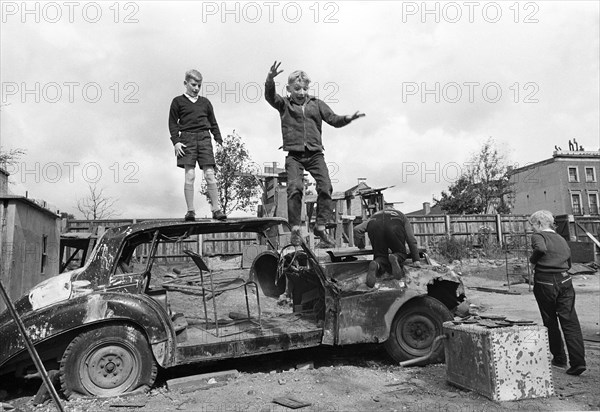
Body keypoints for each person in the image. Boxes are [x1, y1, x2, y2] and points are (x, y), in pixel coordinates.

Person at [265, 61, 364, 247]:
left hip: (315, 153)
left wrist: (348, 118)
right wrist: (269, 79)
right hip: (294, 155)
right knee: (295, 188)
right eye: (296, 89)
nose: (301, 92)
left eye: (304, 88)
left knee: (326, 187)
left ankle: (320, 225)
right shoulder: (284, 104)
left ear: (307, 88)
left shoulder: (317, 104)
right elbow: (270, 97)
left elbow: (333, 119)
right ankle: (295, 229)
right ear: (289, 88)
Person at [528, 210, 586, 376]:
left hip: (545, 281)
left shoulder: (538, 236)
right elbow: (568, 261)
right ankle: (578, 362)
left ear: (539, 224)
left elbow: (540, 249)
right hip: (565, 280)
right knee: (570, 321)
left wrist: (532, 262)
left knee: (550, 320)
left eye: (532, 225)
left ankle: (559, 358)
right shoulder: (561, 238)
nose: (532, 229)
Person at [169, 69, 226, 221]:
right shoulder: (177, 102)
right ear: (185, 83)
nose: (196, 88)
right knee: (190, 175)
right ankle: (190, 211)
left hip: (204, 138)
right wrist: (176, 142)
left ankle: (216, 209)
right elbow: (172, 123)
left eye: (199, 86)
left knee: (209, 174)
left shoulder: (205, 103)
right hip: (186, 139)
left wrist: (218, 139)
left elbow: (213, 122)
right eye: (193, 85)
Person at [354, 206, 421, 288]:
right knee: (401, 253)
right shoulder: (401, 215)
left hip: (374, 224)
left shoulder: (374, 215)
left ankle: (376, 263)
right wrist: (416, 259)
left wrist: (361, 246)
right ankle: (395, 257)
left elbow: (357, 229)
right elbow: (411, 239)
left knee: (380, 256)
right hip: (395, 225)